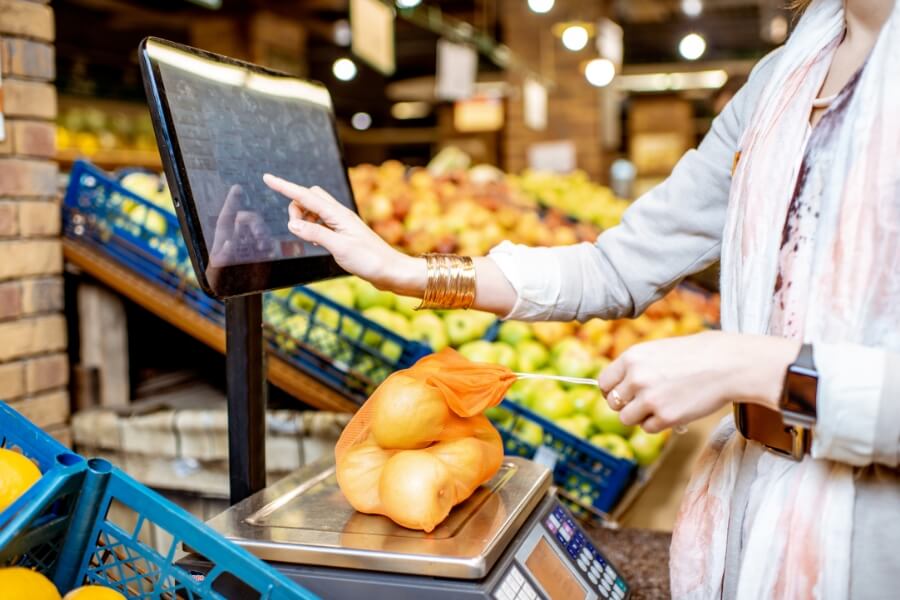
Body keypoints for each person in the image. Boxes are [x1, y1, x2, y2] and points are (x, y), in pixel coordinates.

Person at [264, 0, 899, 596]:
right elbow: (616, 266)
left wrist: (749, 367)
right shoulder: (783, 79)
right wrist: (407, 270)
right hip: (751, 506)